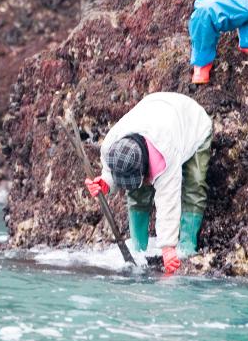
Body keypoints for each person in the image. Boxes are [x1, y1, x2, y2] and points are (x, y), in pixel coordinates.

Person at [84, 92, 213, 275]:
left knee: (194, 184)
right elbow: (111, 172)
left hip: (192, 123)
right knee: (137, 192)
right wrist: (105, 183)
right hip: (156, 109)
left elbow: (168, 201)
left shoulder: (165, 153)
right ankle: (138, 249)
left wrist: (168, 248)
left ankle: (187, 247)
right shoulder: (110, 146)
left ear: (145, 163)